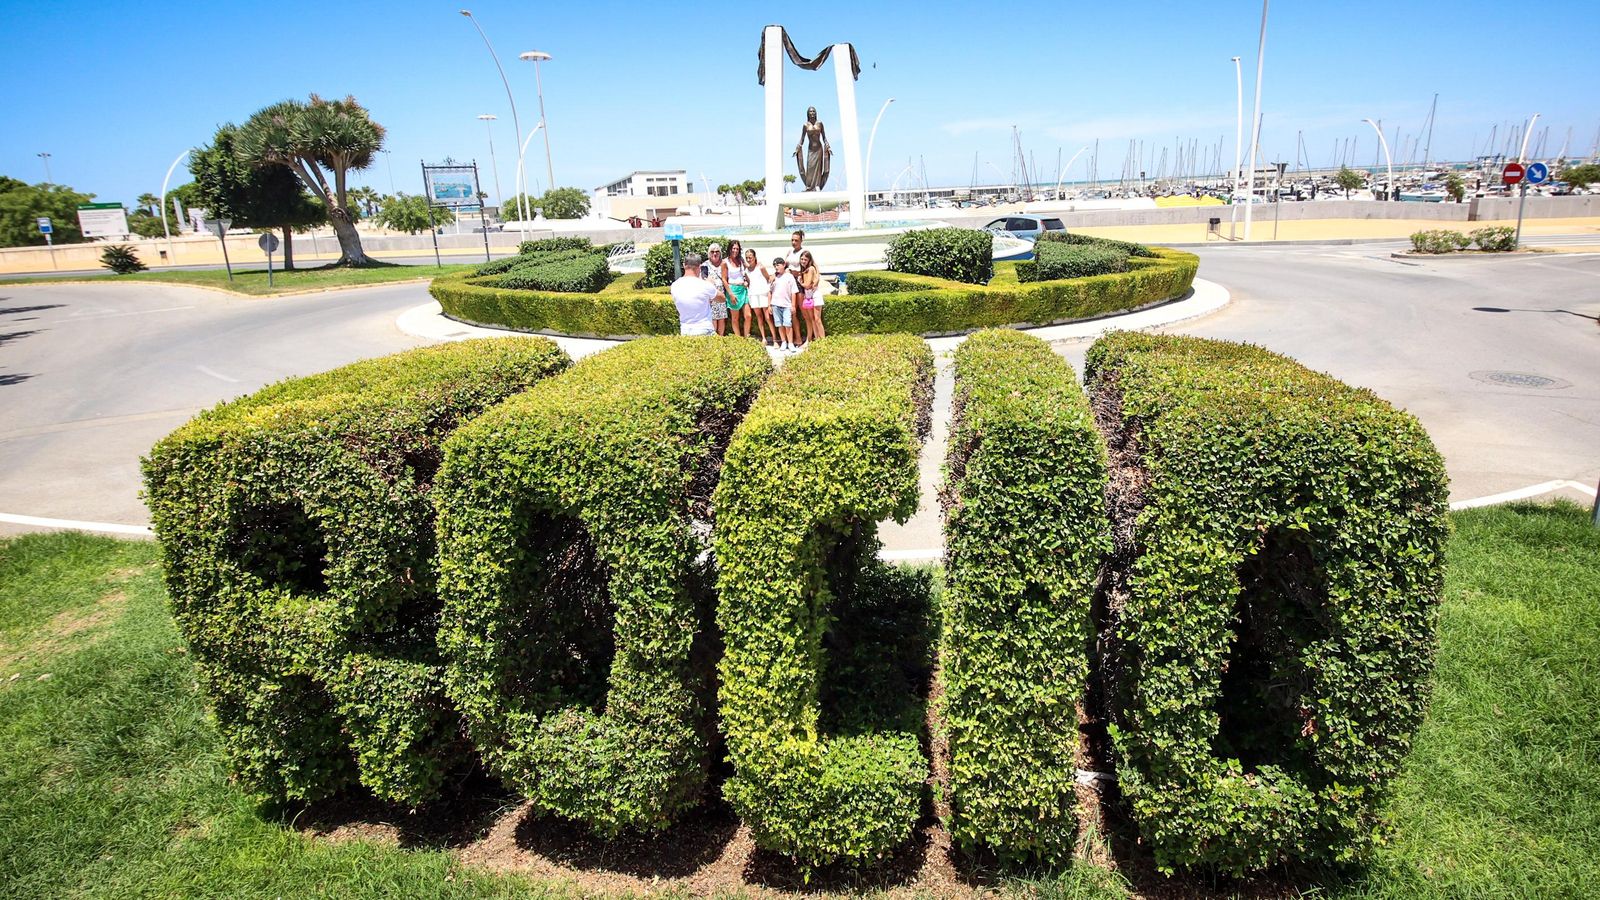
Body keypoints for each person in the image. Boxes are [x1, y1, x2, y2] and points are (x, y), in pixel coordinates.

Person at [670, 252, 717, 336]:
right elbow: (722, 298)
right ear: (699, 267)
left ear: (684, 265)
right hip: (705, 329)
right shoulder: (705, 285)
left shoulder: (674, 286)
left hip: (685, 331)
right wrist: (711, 284)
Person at [744, 248, 775, 346]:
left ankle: (775, 339)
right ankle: (764, 338)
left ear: (754, 257)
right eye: (747, 258)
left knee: (768, 317)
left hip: (763, 293)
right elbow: (749, 283)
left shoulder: (760, 267)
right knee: (759, 317)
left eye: (750, 257)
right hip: (753, 294)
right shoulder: (746, 270)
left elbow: (768, 279)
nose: (749, 259)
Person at [768, 257, 798, 351]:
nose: (776, 267)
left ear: (784, 265)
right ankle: (783, 342)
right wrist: (769, 305)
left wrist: (793, 305)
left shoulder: (789, 276)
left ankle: (790, 343)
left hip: (787, 305)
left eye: (778, 265)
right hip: (775, 304)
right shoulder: (774, 278)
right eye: (775, 266)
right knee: (779, 325)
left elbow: (794, 292)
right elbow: (770, 292)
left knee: (788, 324)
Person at [721, 239, 750, 338]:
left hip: (743, 289)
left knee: (748, 316)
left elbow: (749, 268)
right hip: (733, 290)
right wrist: (731, 294)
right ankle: (739, 339)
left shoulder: (741, 260)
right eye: (733, 248)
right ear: (730, 249)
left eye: (737, 249)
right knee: (735, 318)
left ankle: (746, 337)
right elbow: (724, 280)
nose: (735, 251)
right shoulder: (725, 262)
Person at [797, 249, 825, 345]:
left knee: (817, 319)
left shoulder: (810, 269)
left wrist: (800, 282)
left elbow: (808, 285)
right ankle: (817, 340)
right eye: (802, 259)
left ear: (809, 260)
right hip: (808, 297)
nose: (803, 261)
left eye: (805, 259)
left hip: (815, 296)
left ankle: (823, 341)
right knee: (812, 319)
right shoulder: (805, 270)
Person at [702, 242, 729, 335]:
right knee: (713, 318)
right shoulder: (705, 265)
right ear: (709, 253)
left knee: (722, 318)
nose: (715, 253)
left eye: (717, 251)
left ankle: (720, 338)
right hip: (711, 297)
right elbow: (703, 277)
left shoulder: (724, 264)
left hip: (721, 294)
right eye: (712, 251)